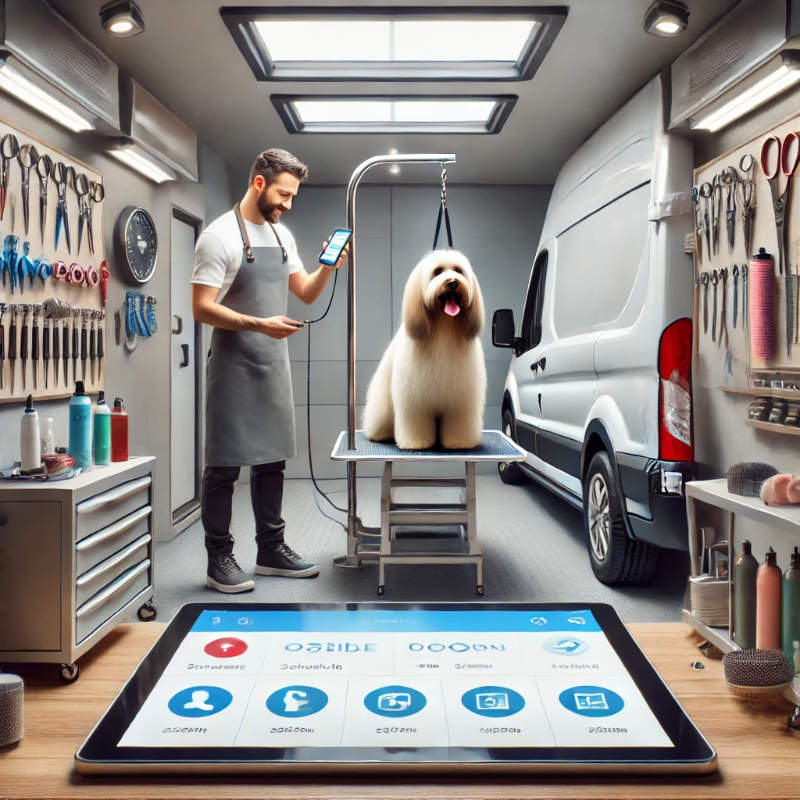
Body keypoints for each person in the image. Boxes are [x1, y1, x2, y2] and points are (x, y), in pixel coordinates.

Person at [191, 148, 345, 593]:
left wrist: (328, 266)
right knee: (222, 467)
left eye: (293, 196)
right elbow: (201, 308)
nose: (288, 204)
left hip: (272, 364)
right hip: (233, 365)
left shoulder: (282, 237)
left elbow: (307, 293)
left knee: (271, 461)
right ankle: (218, 557)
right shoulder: (217, 237)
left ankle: (271, 551)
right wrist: (260, 324)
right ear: (259, 183)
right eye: (283, 194)